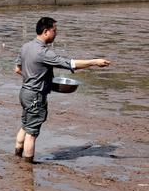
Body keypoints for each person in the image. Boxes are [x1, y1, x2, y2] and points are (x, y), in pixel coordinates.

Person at [14, 17, 111, 163]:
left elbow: (17, 69)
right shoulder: (43, 52)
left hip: (24, 93)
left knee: (26, 125)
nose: (56, 33)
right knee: (32, 134)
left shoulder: (25, 47)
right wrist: (94, 62)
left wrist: (34, 78)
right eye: (54, 30)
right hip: (35, 96)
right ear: (46, 31)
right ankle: (27, 166)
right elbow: (70, 64)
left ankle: (16, 157)